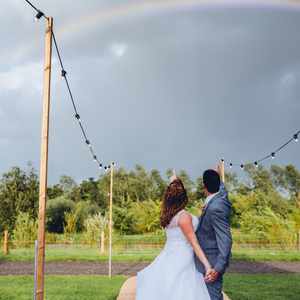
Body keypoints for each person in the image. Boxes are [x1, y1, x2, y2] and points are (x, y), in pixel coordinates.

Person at [136, 176, 211, 300]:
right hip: (182, 256)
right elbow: (194, 243)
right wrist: (207, 266)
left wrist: (201, 215)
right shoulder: (184, 217)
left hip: (169, 254)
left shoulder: (169, 216)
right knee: (182, 290)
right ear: (184, 197)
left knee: (170, 288)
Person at [195, 167, 232, 300]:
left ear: (204, 185)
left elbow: (225, 239)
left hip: (211, 263)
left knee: (212, 297)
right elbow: (222, 188)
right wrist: (218, 176)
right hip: (206, 261)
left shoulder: (216, 208)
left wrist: (218, 268)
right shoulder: (221, 196)